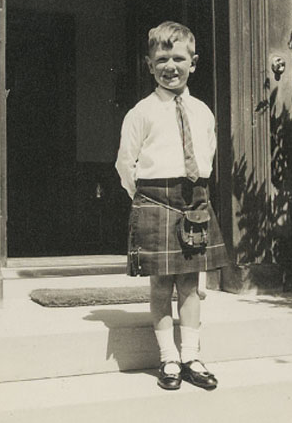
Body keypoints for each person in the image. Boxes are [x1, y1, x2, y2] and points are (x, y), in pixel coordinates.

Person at [115, 21, 230, 391]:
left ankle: (192, 356)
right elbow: (125, 163)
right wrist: (147, 198)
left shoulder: (202, 111)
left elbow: (208, 154)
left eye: (178, 58)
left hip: (195, 198)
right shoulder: (140, 112)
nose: (171, 66)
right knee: (162, 285)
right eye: (161, 58)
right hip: (153, 198)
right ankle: (168, 359)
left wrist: (192, 190)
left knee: (191, 285)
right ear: (149, 65)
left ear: (193, 63)